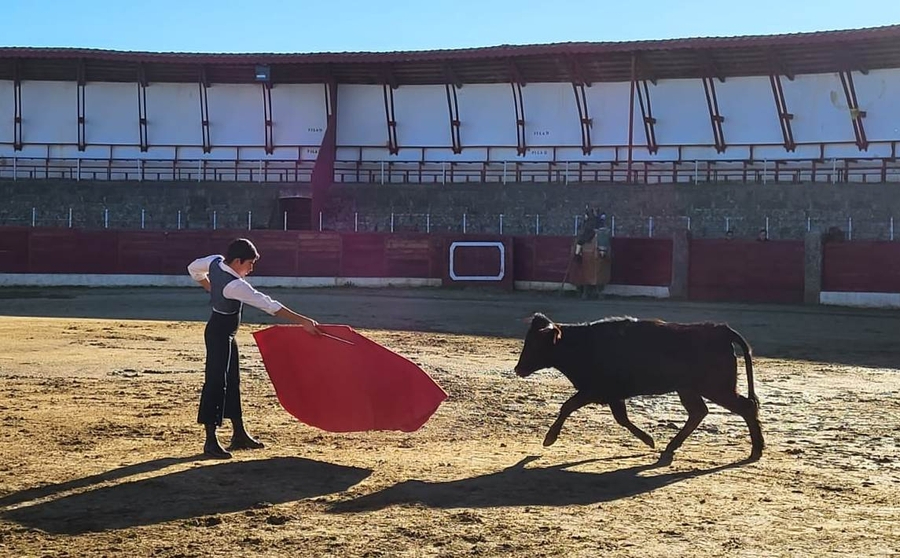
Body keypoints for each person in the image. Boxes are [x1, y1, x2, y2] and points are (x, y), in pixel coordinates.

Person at [188, 238, 323, 459]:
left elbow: (193, 268)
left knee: (232, 380)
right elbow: (268, 304)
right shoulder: (235, 285)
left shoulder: (215, 261)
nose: (251, 268)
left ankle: (239, 433)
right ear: (238, 261)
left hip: (224, 333)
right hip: (219, 334)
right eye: (249, 263)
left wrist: (211, 289)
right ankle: (210, 441)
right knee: (216, 382)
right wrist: (302, 320)